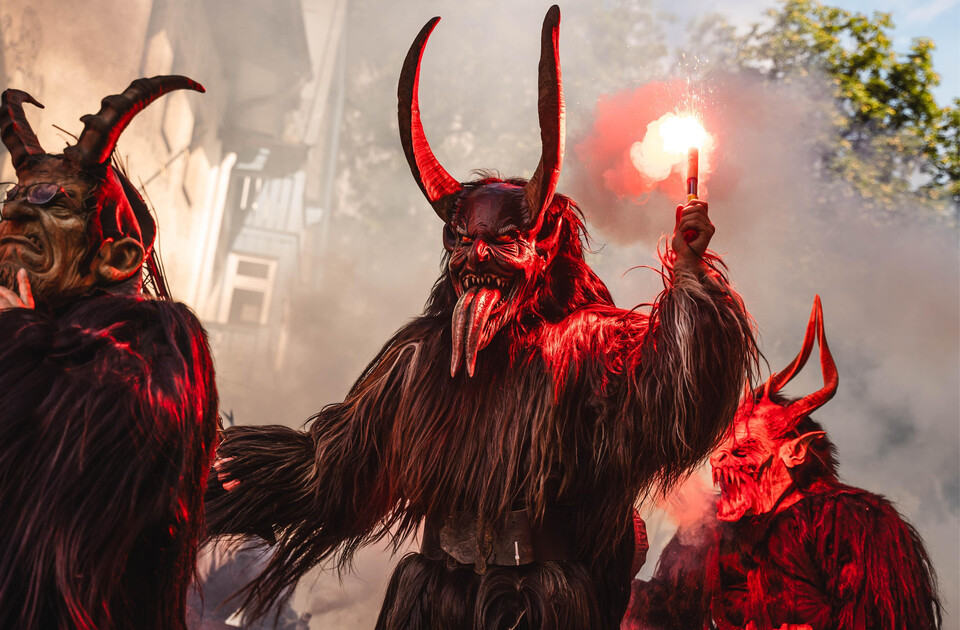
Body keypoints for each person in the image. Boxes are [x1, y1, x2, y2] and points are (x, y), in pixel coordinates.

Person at [207, 6, 756, 629]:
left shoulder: (588, 346)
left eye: (502, 242)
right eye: (464, 242)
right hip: (433, 599)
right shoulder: (420, 358)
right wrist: (236, 466)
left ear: (544, 251)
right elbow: (335, 467)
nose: (476, 257)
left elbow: (675, 399)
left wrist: (688, 275)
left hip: (541, 604)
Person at [0, 76, 219, 630]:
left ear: (117, 256)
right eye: (12, 201)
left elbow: (103, 433)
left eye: (50, 202)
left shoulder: (159, 339)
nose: (14, 218)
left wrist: (16, 336)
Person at [623, 297, 942, 630]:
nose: (717, 458)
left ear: (796, 452)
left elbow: (886, 619)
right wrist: (617, 568)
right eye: (722, 448)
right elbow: (666, 613)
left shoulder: (854, 520)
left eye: (744, 449)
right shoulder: (712, 530)